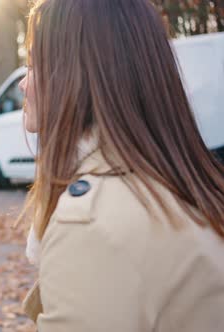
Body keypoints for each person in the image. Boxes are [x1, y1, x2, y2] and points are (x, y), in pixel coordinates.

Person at [18, 0, 224, 331]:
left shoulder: (93, 226)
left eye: (32, 64)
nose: (23, 85)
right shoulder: (181, 183)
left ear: (73, 74)